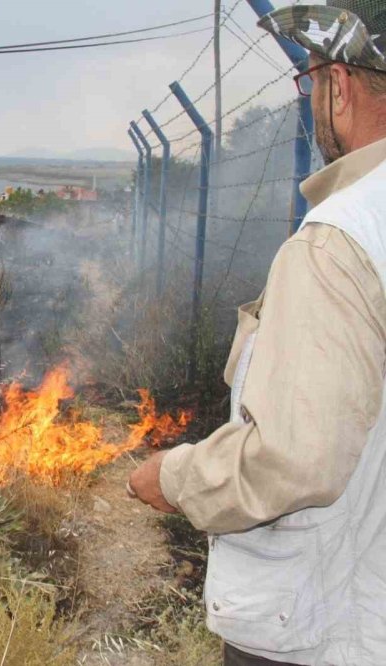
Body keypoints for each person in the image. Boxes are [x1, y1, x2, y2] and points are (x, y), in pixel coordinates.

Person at [128, 3, 386, 665]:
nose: (311, 100)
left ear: (341, 85)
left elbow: (297, 458)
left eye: (310, 83)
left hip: (324, 626)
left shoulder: (336, 243)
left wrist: (178, 477)